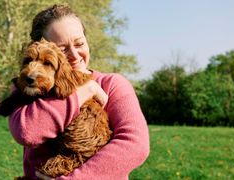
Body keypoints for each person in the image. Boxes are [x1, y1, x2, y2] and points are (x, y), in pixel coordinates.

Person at [9, 4, 149, 180]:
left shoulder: (112, 84)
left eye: (79, 43)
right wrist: (84, 92)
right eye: (62, 49)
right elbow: (27, 131)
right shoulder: (29, 87)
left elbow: (135, 145)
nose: (74, 55)